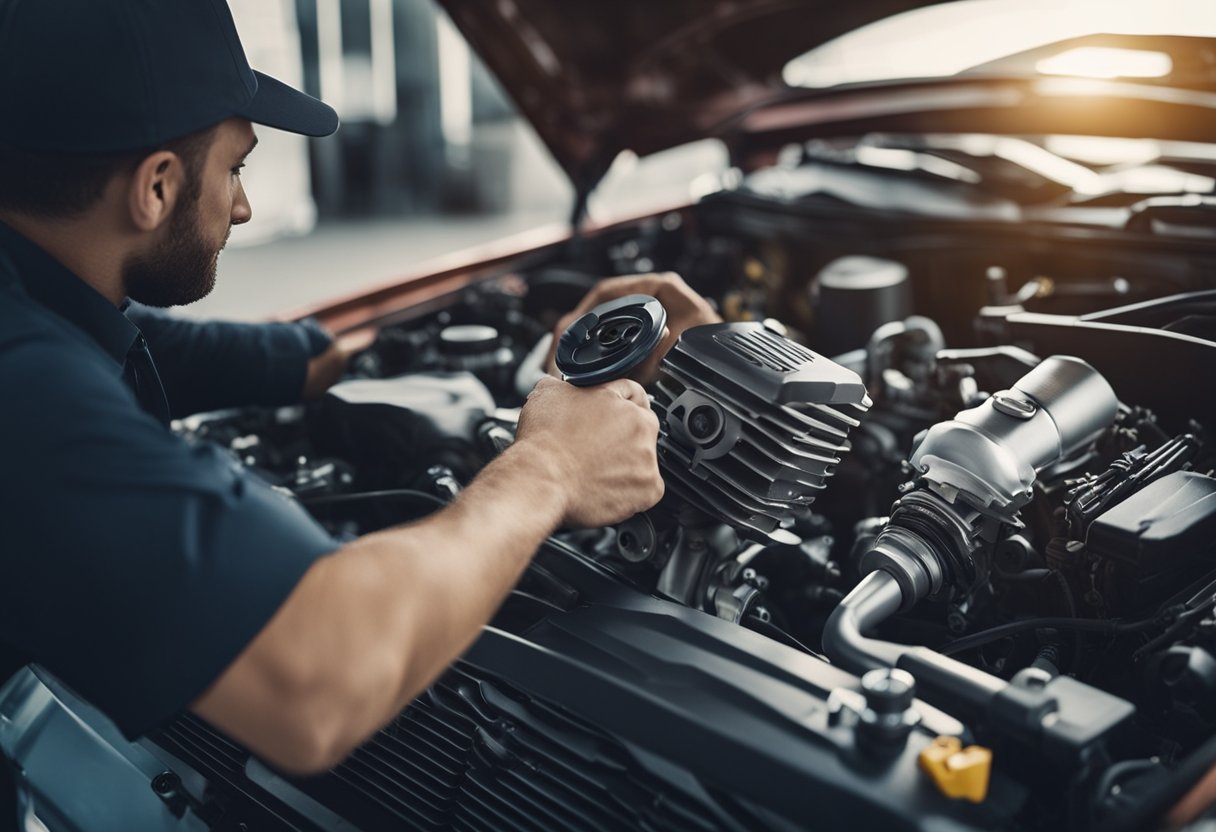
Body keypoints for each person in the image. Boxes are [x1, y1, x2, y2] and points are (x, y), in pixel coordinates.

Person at [0, 0, 713, 780]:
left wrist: (409, 357)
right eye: (236, 167)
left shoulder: (44, 292)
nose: (241, 204)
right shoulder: (24, 387)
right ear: (158, 187)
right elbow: (317, 679)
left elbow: (190, 350)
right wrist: (550, 468)